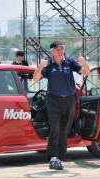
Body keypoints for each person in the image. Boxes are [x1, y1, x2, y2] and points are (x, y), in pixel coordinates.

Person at [33, 41, 90, 170]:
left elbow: (87, 73)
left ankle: (59, 158)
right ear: (52, 51)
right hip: (53, 100)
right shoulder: (48, 64)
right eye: (58, 49)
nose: (61, 51)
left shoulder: (70, 62)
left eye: (62, 48)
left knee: (64, 130)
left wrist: (84, 63)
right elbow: (35, 79)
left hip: (69, 99)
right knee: (55, 128)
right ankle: (53, 157)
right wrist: (41, 66)